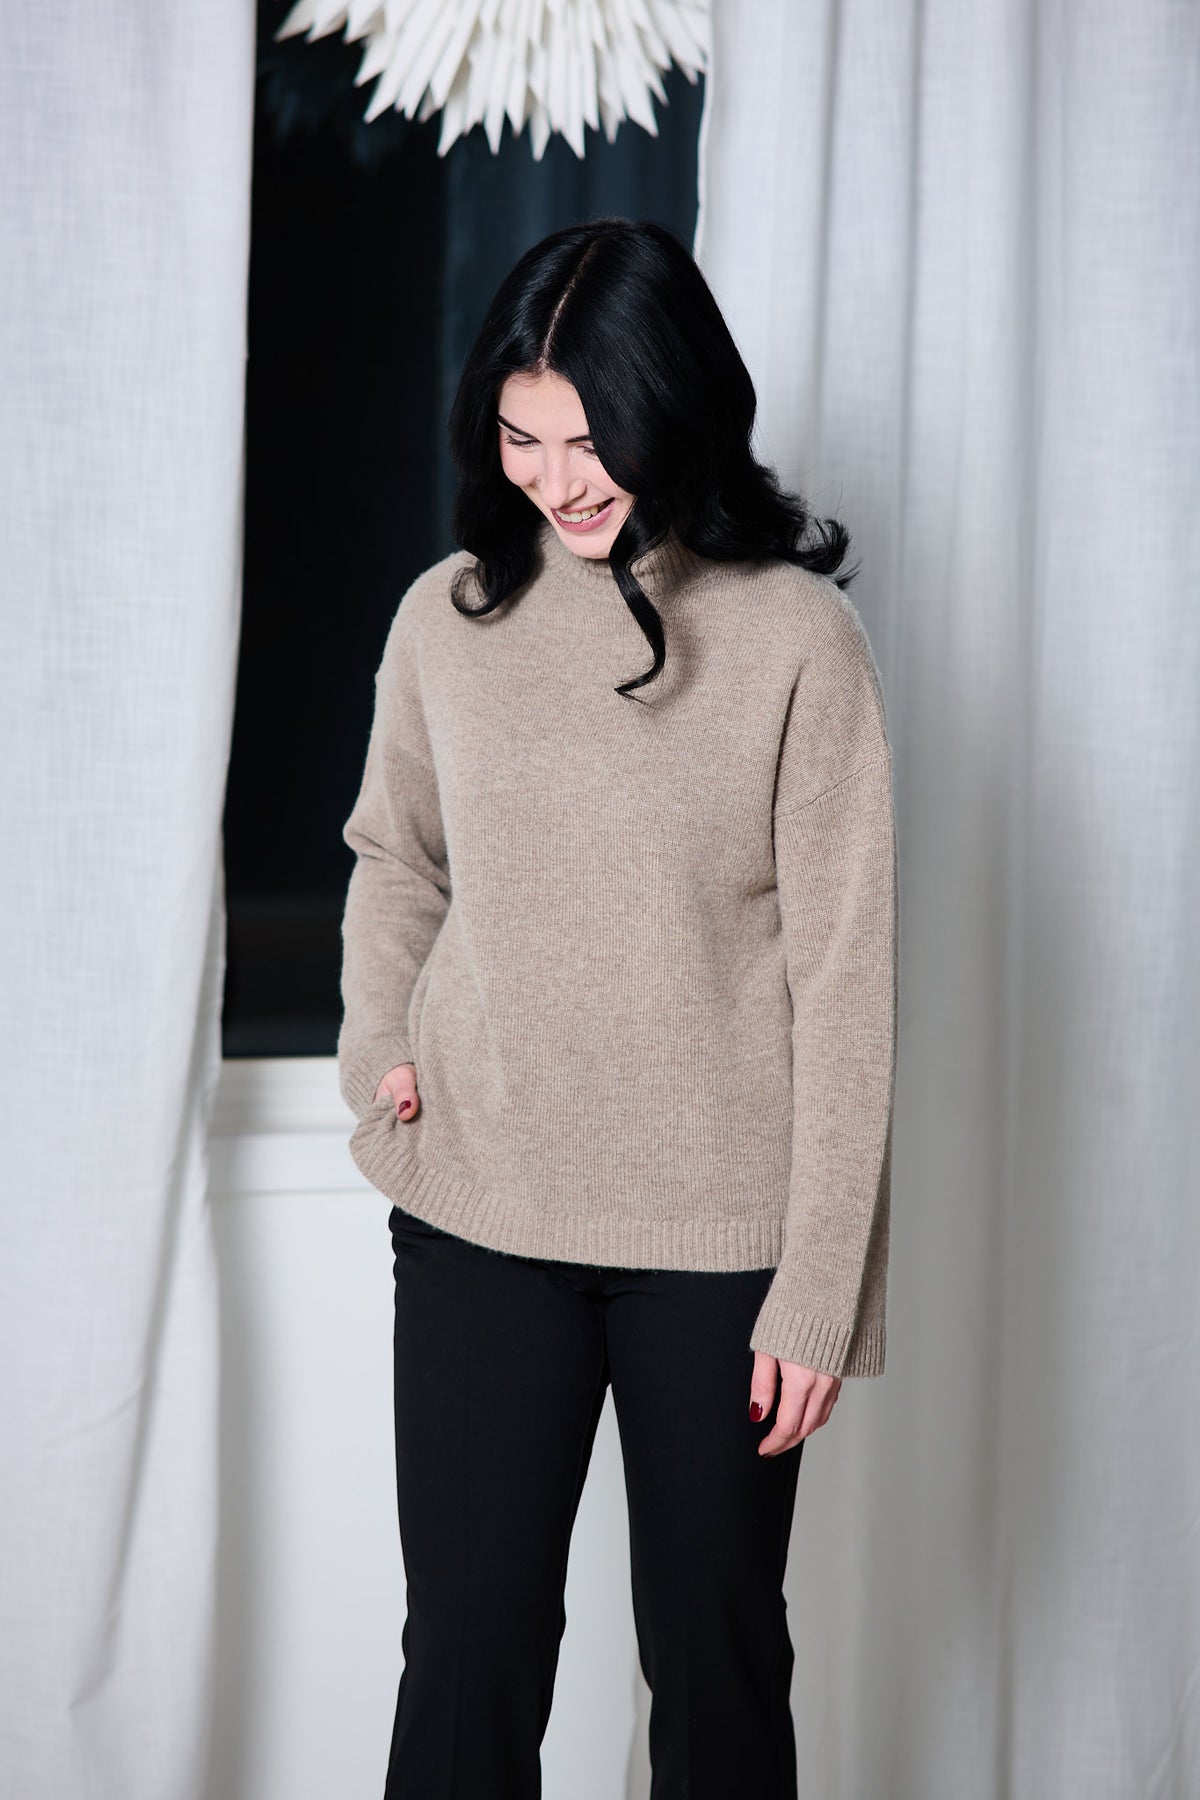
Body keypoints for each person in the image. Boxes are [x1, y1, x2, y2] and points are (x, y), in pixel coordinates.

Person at [337, 217, 898, 1800]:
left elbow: (847, 976)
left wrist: (821, 1289)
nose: (557, 478)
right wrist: (380, 1038)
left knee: (717, 1666)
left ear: (673, 407)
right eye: (522, 439)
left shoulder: (796, 640)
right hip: (481, 1207)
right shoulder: (447, 619)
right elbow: (395, 856)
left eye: (590, 439)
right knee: (467, 1662)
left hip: (719, 1247)